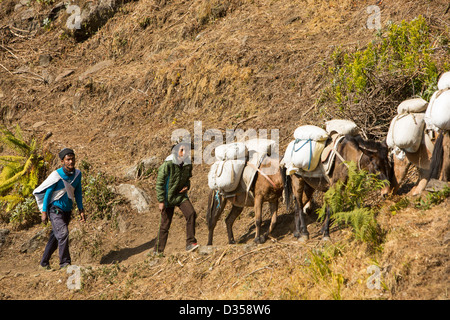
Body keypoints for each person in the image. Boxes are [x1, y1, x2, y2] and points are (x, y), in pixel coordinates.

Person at [33, 148, 86, 270]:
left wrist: (81, 209)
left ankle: (44, 263)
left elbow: (77, 192)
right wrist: (44, 212)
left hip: (67, 210)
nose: (71, 162)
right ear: (62, 161)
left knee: (55, 237)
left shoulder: (78, 174)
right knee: (63, 233)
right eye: (68, 159)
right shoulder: (56, 175)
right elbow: (48, 193)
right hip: (55, 210)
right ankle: (65, 263)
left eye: (72, 159)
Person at [154, 142, 198, 255]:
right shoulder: (168, 164)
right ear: (176, 151)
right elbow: (159, 183)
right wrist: (161, 201)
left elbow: (188, 178)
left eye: (187, 150)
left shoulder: (188, 163)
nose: (185, 152)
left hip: (180, 196)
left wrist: (187, 187)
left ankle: (190, 243)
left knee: (191, 213)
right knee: (165, 225)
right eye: (182, 150)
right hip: (167, 197)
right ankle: (157, 252)